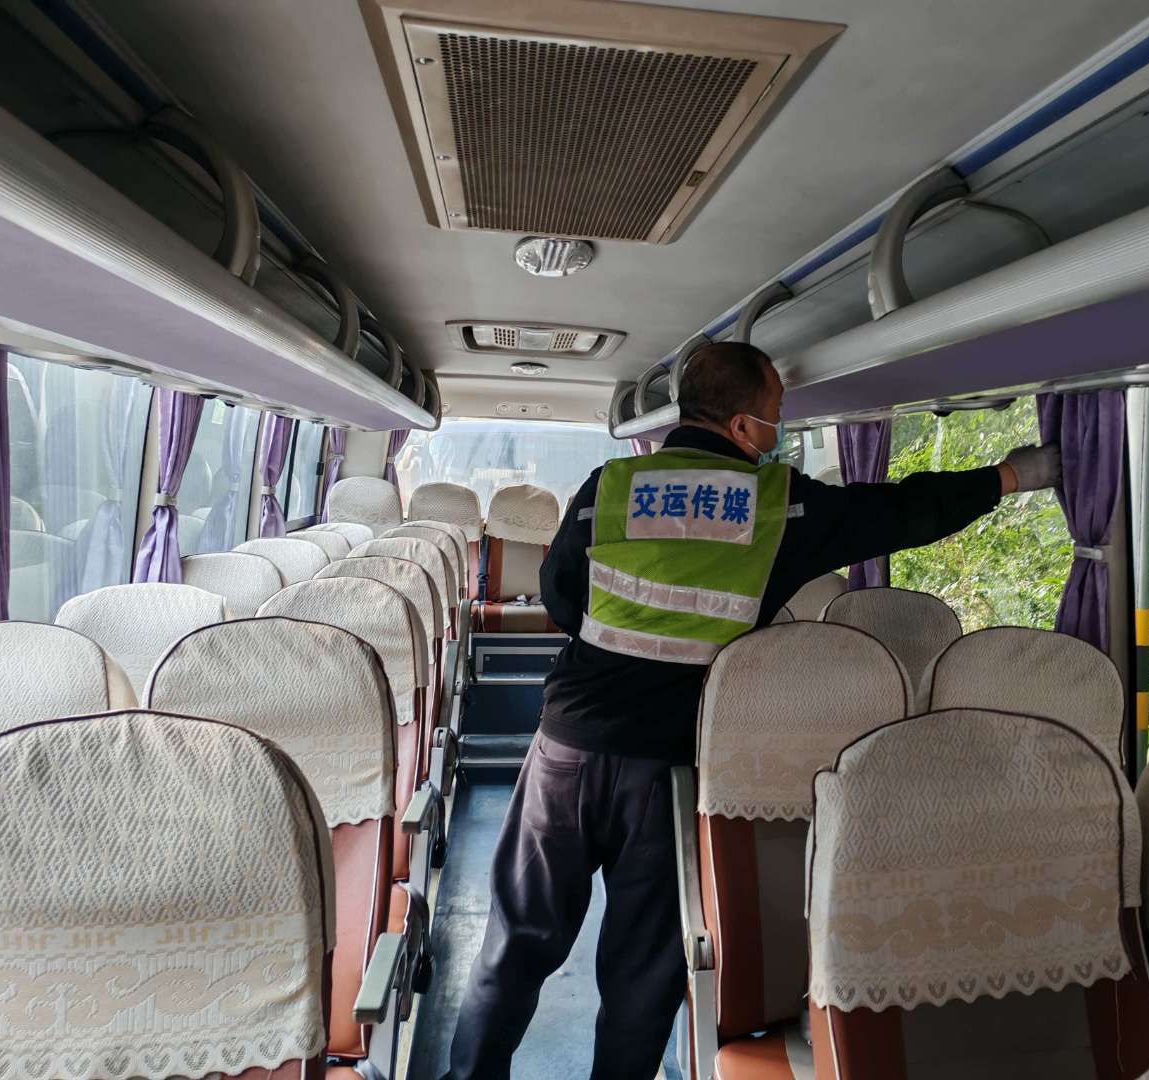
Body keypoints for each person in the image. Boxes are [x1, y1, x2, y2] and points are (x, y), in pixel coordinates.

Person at [442, 342, 1061, 1079]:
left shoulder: (613, 484)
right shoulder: (779, 505)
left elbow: (559, 592)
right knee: (642, 968)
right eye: (775, 413)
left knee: (516, 941)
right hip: (671, 769)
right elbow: (900, 512)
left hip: (567, 750)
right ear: (741, 426)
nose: (776, 427)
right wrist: (1009, 476)